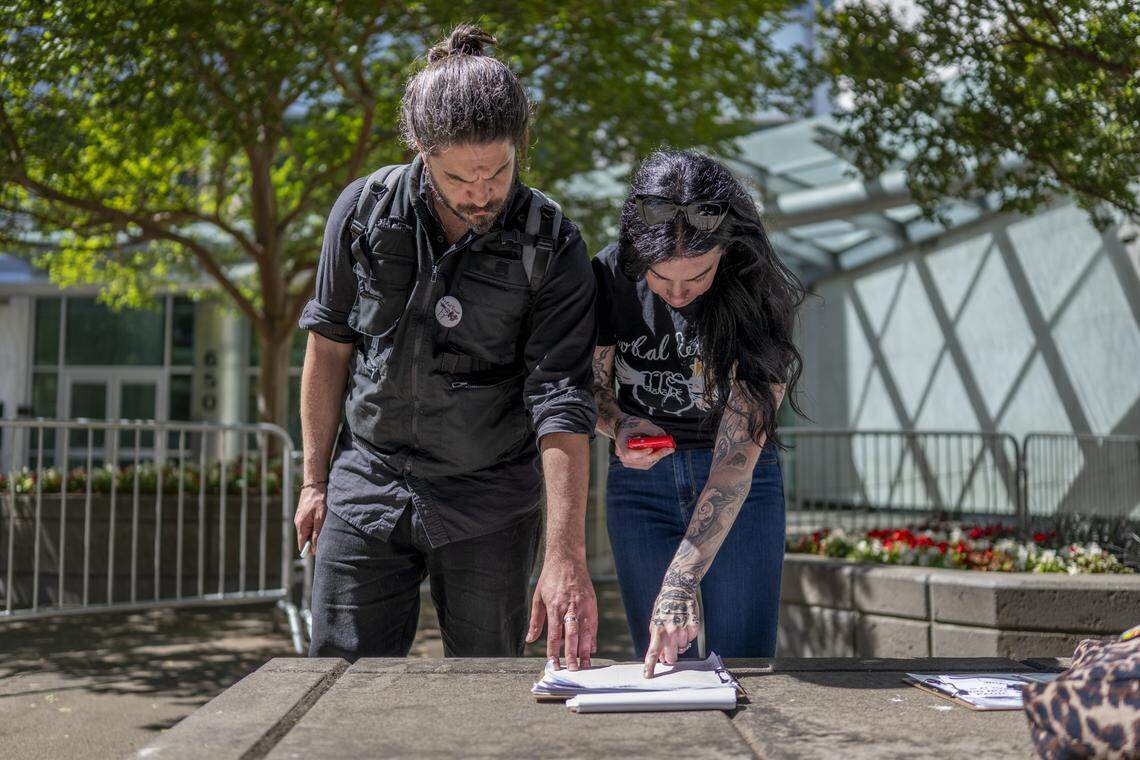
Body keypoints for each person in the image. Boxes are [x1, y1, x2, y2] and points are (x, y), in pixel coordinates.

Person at [296, 25, 599, 669]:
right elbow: (329, 350)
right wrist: (314, 480)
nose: (482, 194)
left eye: (499, 172)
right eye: (462, 177)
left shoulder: (555, 245)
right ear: (421, 150)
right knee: (340, 678)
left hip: (489, 496)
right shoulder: (362, 212)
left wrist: (565, 554)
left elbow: (562, 398)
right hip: (367, 481)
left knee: (487, 687)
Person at [590, 150, 806, 675]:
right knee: (664, 662)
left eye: (698, 276)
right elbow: (589, 385)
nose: (679, 293)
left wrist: (682, 576)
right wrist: (619, 425)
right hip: (641, 483)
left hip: (740, 484)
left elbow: (736, 459)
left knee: (746, 662)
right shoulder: (609, 272)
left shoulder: (759, 290)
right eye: (662, 279)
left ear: (726, 252)